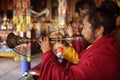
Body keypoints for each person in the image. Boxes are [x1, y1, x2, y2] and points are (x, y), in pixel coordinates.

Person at [38, 7, 120, 80]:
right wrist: (65, 43)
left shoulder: (103, 55)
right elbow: (82, 57)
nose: (82, 32)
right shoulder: (106, 44)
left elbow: (70, 77)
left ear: (99, 30)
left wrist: (47, 53)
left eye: (85, 27)